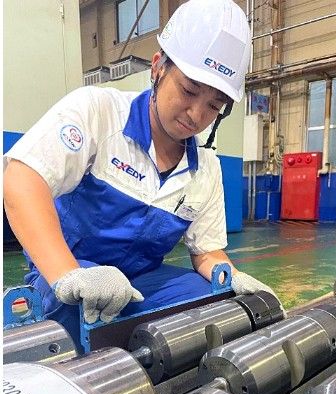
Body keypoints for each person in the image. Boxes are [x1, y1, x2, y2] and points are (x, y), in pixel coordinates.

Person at [4, 0, 285, 351]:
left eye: (214, 105)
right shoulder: (99, 112)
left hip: (142, 280)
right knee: (79, 313)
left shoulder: (206, 170)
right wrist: (68, 274)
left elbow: (206, 251)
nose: (196, 114)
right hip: (73, 268)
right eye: (189, 90)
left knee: (213, 305)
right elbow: (22, 179)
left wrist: (230, 277)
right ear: (157, 68)